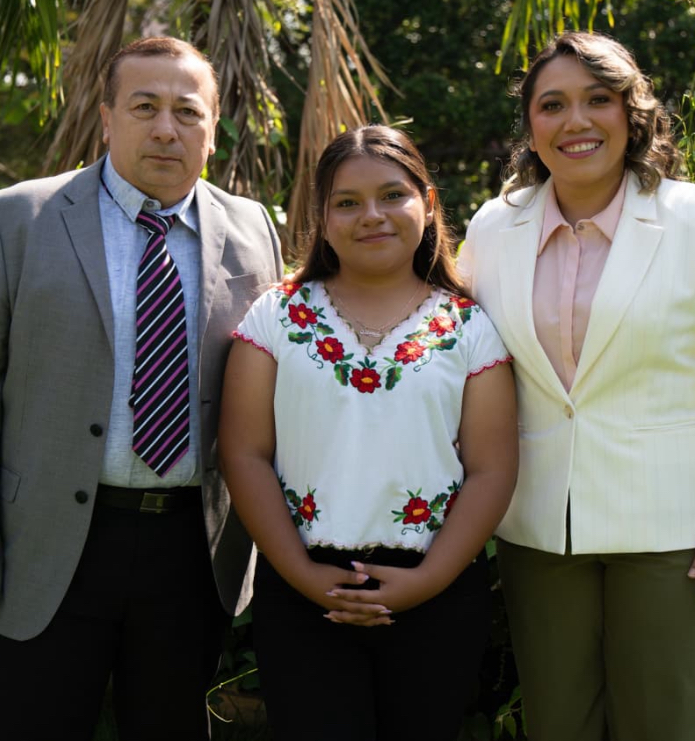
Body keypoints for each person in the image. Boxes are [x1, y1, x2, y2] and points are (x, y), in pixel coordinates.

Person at [0, 36, 283, 741]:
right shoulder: (15, 219)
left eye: (187, 111)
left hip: (192, 551)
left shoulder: (252, 229)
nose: (164, 128)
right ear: (106, 116)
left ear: (212, 128)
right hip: (48, 548)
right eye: (144, 106)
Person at [458, 32, 695, 741]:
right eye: (552, 105)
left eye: (596, 100)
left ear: (631, 112)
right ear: (531, 126)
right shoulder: (492, 226)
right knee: (556, 724)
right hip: (536, 524)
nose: (575, 121)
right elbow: (458, 360)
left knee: (663, 725)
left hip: (672, 526)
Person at [218, 125, 518, 741]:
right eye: (347, 203)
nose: (371, 216)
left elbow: (493, 468)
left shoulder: (470, 326)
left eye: (392, 196)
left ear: (427, 205)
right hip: (303, 591)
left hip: (435, 591)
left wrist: (426, 582)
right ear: (321, 219)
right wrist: (305, 577)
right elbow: (243, 453)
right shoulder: (275, 317)